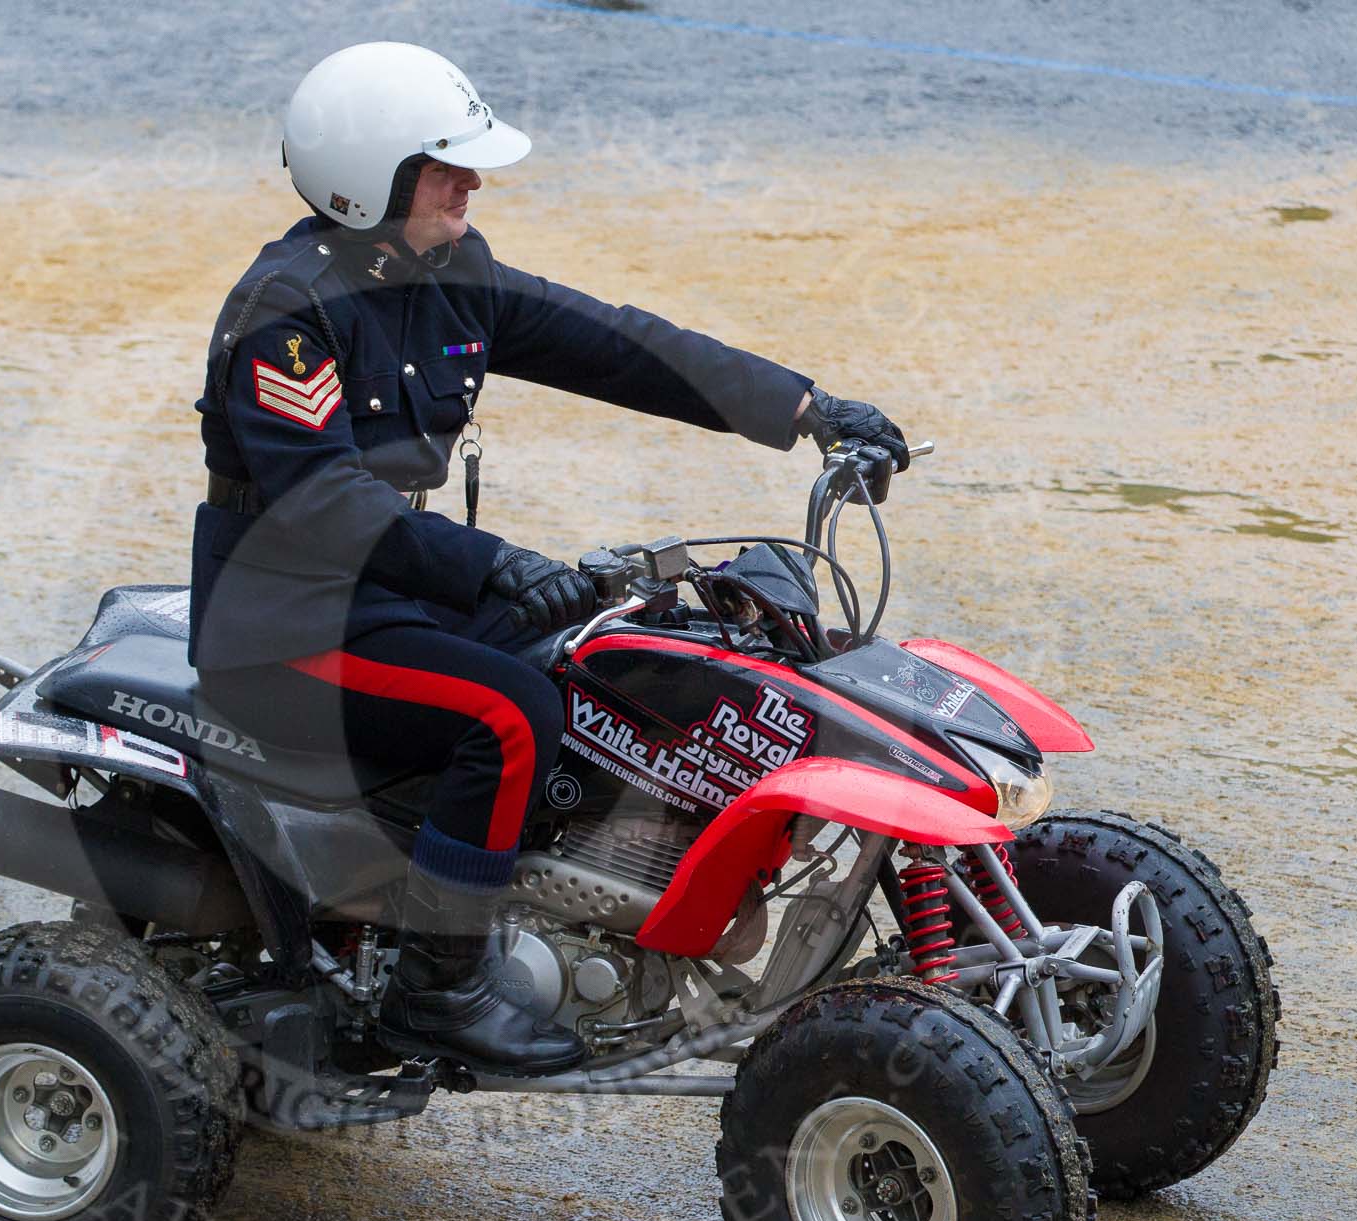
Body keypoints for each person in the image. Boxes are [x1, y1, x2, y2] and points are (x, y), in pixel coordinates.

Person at [190, 42, 908, 1075]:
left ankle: (567, 907)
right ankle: (434, 992)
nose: (472, 185)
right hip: (283, 614)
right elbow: (320, 503)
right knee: (504, 710)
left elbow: (619, 344)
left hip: (389, 589)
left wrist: (806, 410)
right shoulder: (287, 312)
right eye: (446, 169)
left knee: (612, 657)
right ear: (368, 178)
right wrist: (491, 566)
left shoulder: (450, 272)